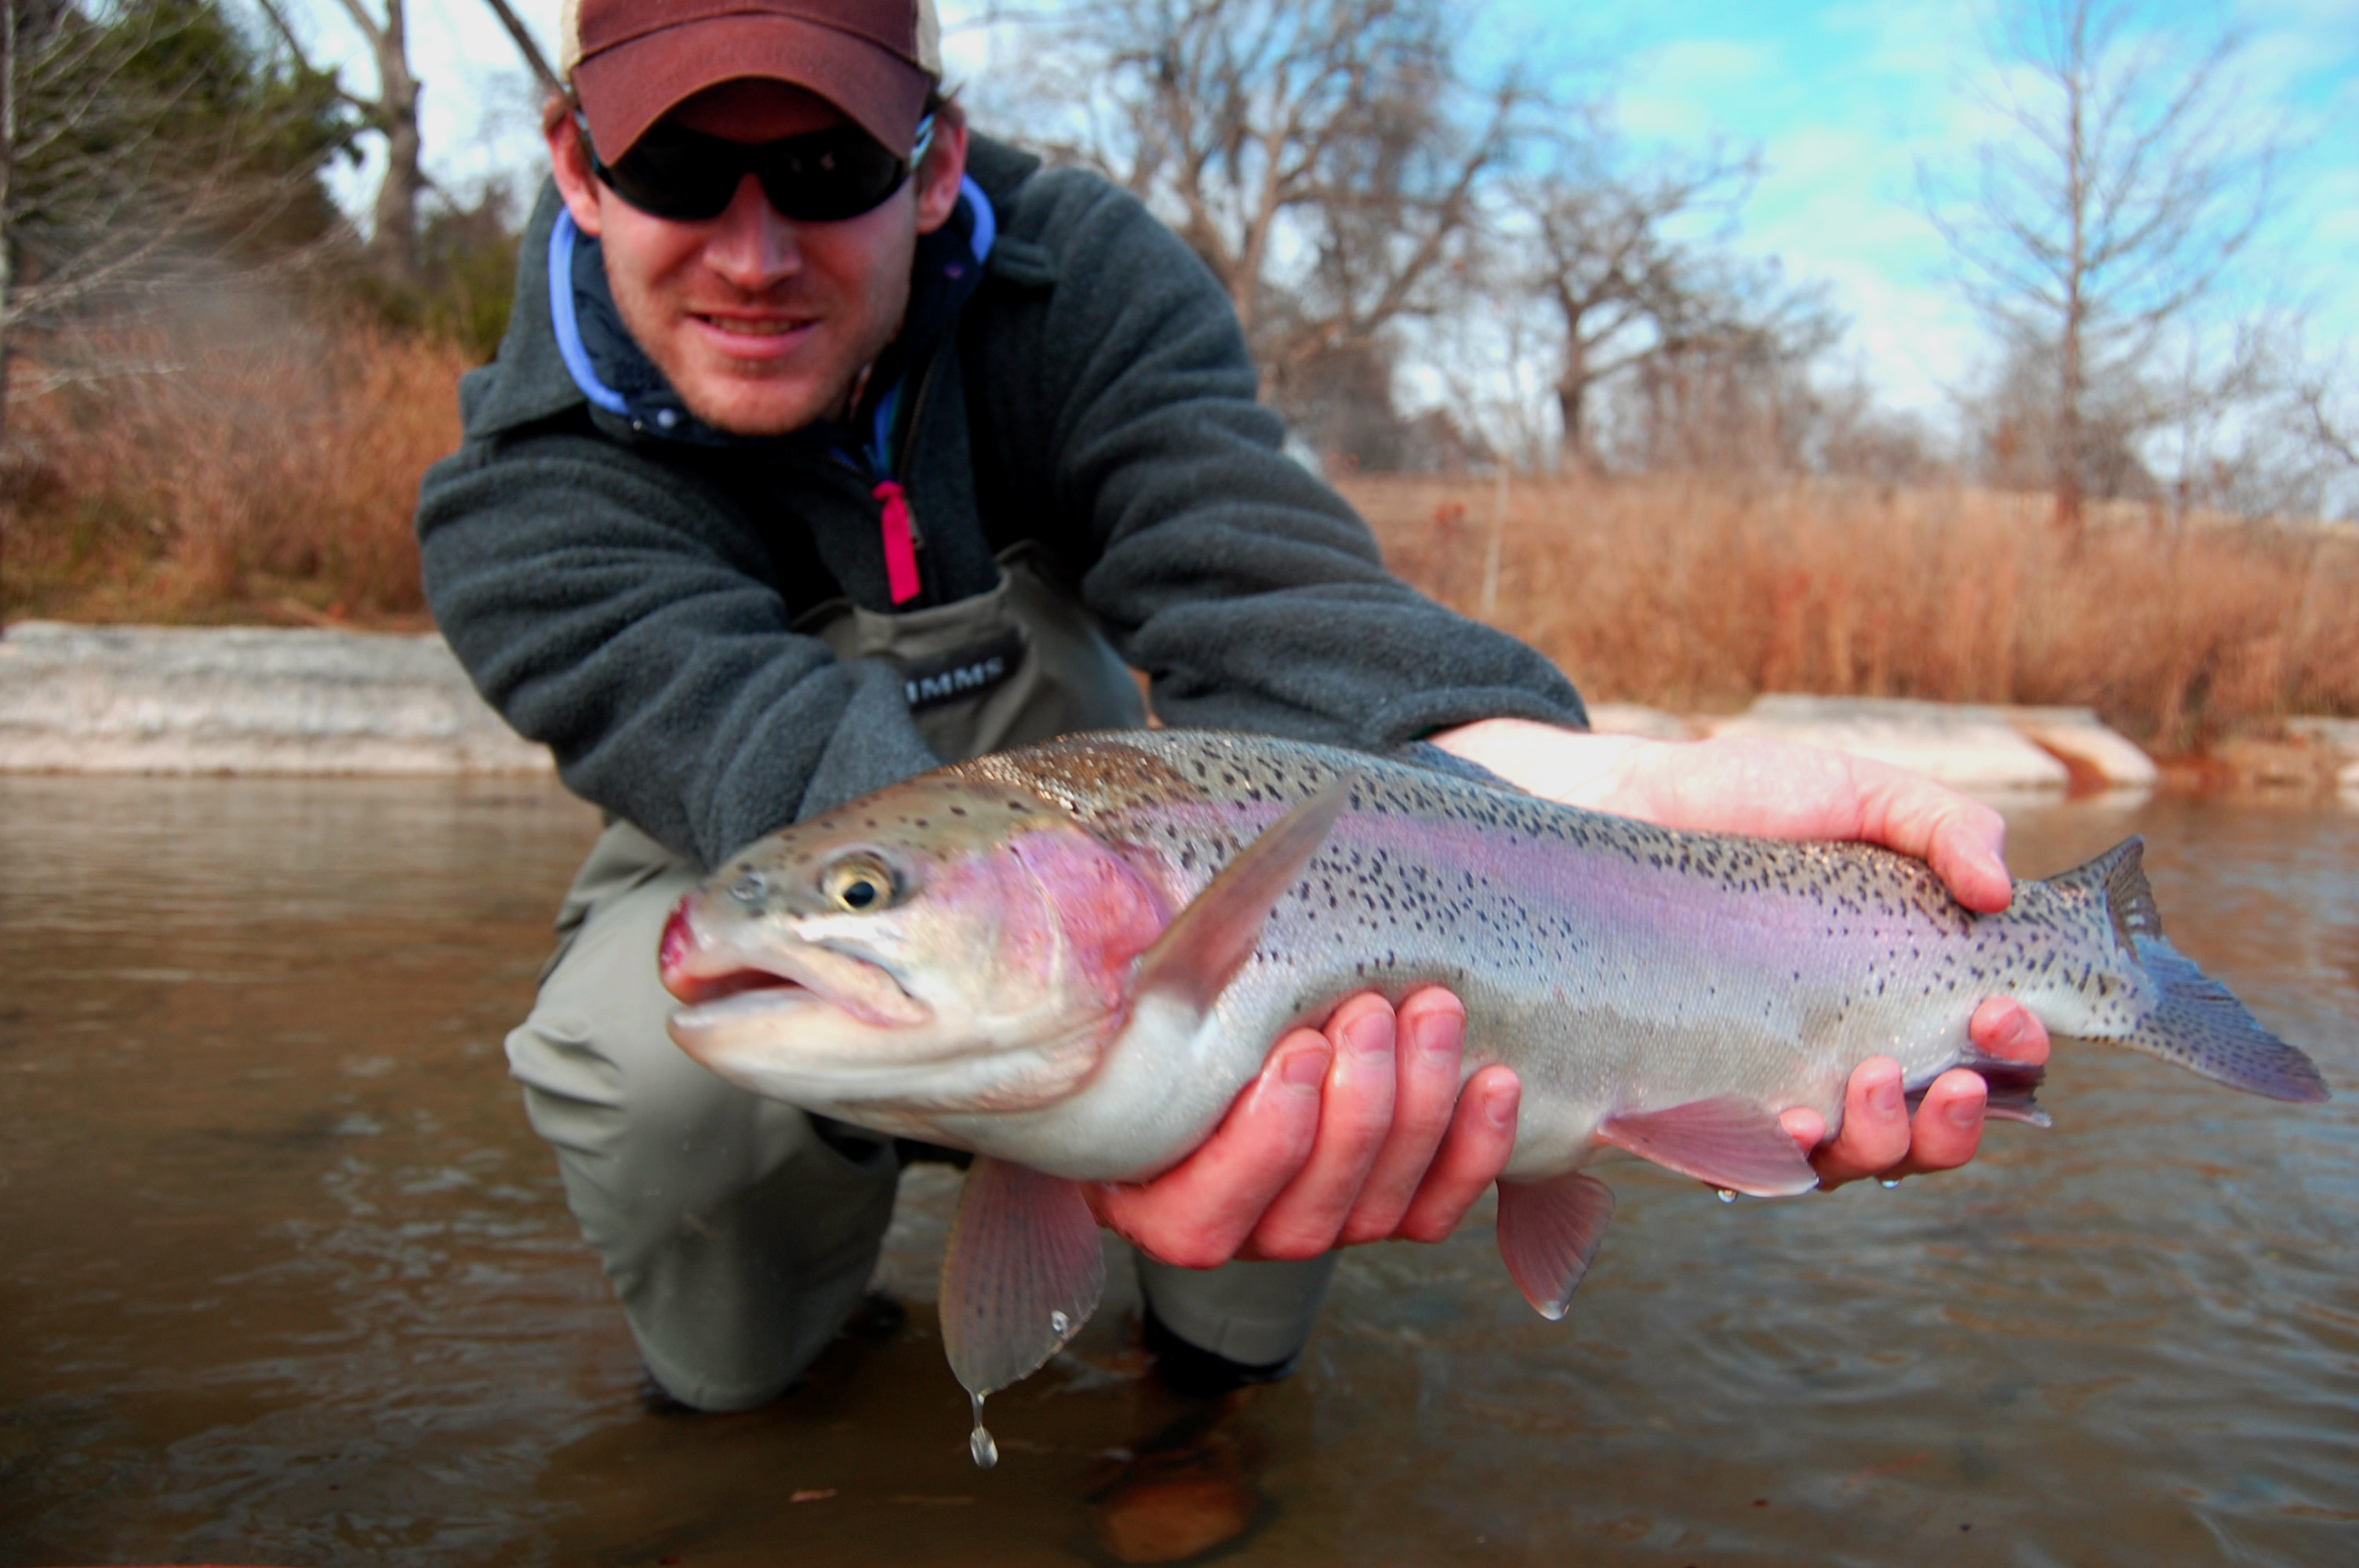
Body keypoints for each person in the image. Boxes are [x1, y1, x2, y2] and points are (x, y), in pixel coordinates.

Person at [415, 0, 2050, 1424]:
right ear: (577, 167)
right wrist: (1016, 998)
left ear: (929, 165)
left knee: (1336, 1012)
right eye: (682, 175)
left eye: (830, 173)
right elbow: (768, 756)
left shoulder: (1080, 283)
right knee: (642, 1049)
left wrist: (1509, 772)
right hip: (833, 853)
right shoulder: (518, 502)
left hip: (1129, 840)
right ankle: (755, 1400)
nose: (756, 249)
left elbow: (1250, 583)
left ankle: (1201, 1409)